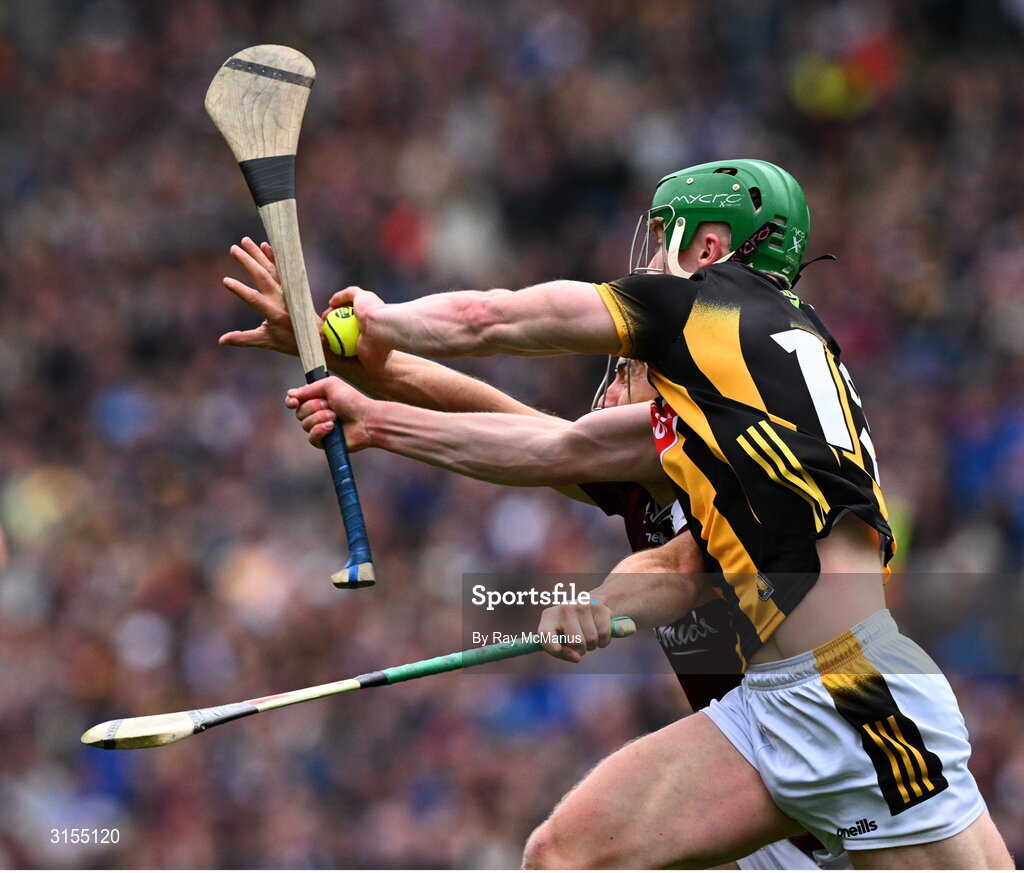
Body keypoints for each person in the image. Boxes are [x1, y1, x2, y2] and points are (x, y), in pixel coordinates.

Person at [286, 160, 1013, 868]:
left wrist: (378, 322)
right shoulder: (738, 384)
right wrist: (376, 420)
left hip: (850, 691)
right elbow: (557, 448)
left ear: (711, 247)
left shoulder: (705, 307)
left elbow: (488, 319)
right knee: (563, 853)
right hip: (768, 705)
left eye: (667, 239)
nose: (652, 263)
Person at [223, 241, 843, 870]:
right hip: (766, 787)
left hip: (829, 750)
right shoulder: (640, 485)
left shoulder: (728, 477)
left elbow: (676, 567)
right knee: (559, 854)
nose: (604, 394)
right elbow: (506, 423)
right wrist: (333, 353)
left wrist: (596, 602)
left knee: (560, 854)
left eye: (624, 376)